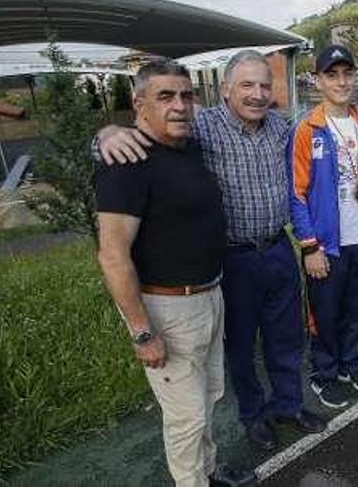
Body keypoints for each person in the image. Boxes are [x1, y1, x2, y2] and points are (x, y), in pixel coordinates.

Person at [97, 50, 325, 452]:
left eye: (264, 86)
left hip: (278, 248)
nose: (257, 94)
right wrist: (104, 136)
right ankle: (254, 417)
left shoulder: (281, 127)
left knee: (286, 338)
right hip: (232, 258)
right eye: (247, 85)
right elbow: (148, 129)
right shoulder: (201, 125)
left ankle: (288, 404)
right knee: (240, 346)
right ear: (225, 89)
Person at [94, 61, 250, 487]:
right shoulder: (126, 163)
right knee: (186, 416)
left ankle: (209, 472)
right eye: (165, 96)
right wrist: (142, 332)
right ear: (138, 103)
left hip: (208, 295)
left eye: (185, 95)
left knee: (209, 397)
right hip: (166, 306)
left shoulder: (188, 147)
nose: (179, 105)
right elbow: (112, 256)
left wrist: (105, 131)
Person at [288, 45, 358, 409]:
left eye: (347, 73)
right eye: (332, 74)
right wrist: (310, 246)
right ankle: (324, 372)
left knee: (357, 308)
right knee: (325, 313)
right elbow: (296, 193)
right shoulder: (307, 129)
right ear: (317, 80)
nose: (341, 81)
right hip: (327, 245)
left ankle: (349, 362)